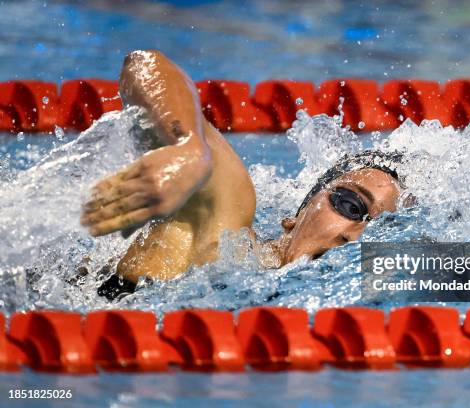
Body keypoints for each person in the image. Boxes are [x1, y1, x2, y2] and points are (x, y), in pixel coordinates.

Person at [80, 50, 408, 298]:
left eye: (383, 230)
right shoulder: (225, 237)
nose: (355, 236)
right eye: (351, 206)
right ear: (294, 217)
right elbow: (143, 65)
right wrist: (188, 150)